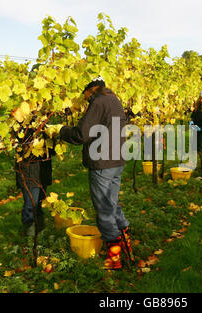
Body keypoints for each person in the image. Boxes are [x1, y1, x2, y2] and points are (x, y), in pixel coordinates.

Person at [59, 76, 134, 270]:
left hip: (103, 163)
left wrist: (61, 130)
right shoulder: (113, 99)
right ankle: (126, 242)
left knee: (104, 210)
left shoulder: (98, 102)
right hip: (117, 160)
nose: (84, 100)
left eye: (85, 95)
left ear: (90, 90)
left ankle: (114, 258)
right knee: (112, 203)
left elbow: (81, 134)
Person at [15, 126, 54, 237]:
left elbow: (52, 148)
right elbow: (22, 147)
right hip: (29, 170)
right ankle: (30, 235)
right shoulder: (23, 125)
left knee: (40, 202)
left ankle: (40, 232)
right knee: (31, 204)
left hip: (42, 170)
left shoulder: (45, 121)